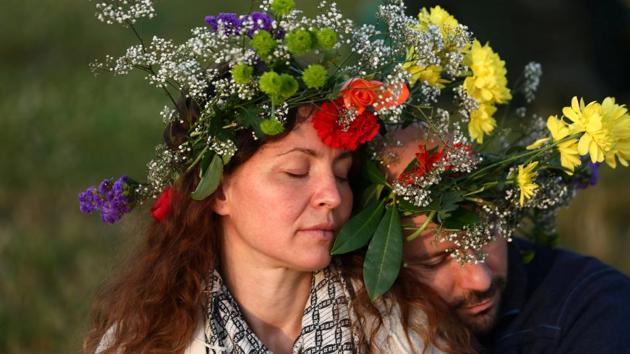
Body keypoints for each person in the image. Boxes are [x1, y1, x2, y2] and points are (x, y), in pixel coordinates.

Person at [382, 124, 630, 354]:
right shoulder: (361, 324)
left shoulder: (593, 306)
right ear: (381, 261)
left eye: (487, 235)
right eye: (436, 260)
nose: (480, 280)